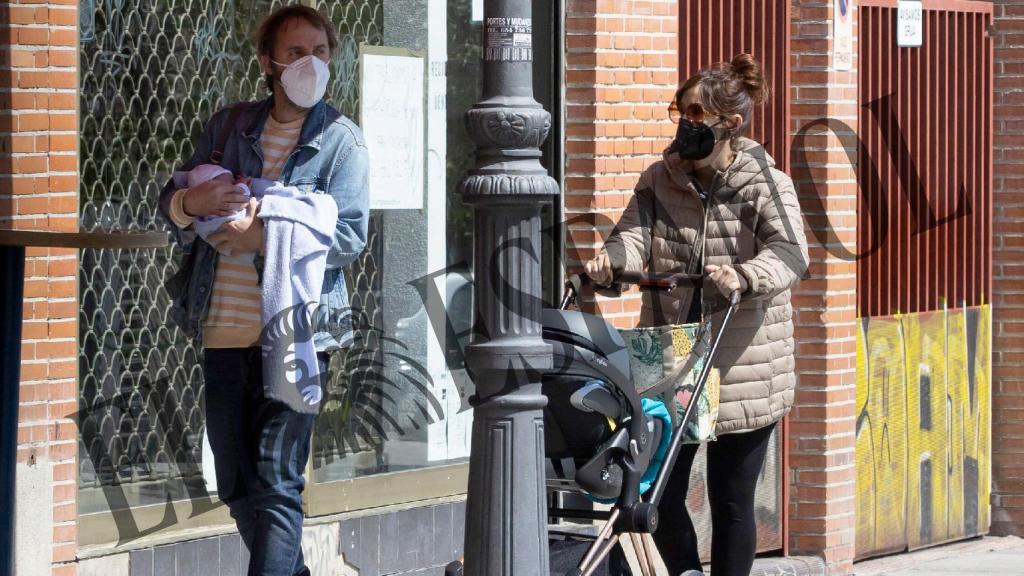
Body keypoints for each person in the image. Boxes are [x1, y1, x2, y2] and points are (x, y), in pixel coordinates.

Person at [156, 5, 369, 575]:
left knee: (276, 478)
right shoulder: (229, 127)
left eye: (320, 52)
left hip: (299, 335)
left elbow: (350, 236)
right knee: (235, 480)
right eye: (296, 53)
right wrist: (187, 204)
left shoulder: (341, 141)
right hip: (223, 329)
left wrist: (265, 237)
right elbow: (171, 202)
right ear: (268, 62)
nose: (310, 64)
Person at [585, 53, 808, 576]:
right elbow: (633, 238)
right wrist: (611, 262)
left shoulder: (763, 182)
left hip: (742, 363)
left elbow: (791, 253)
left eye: (695, 115)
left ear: (729, 124)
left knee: (732, 499)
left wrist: (746, 275)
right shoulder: (659, 180)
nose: (684, 124)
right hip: (671, 358)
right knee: (657, 492)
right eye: (678, 111)